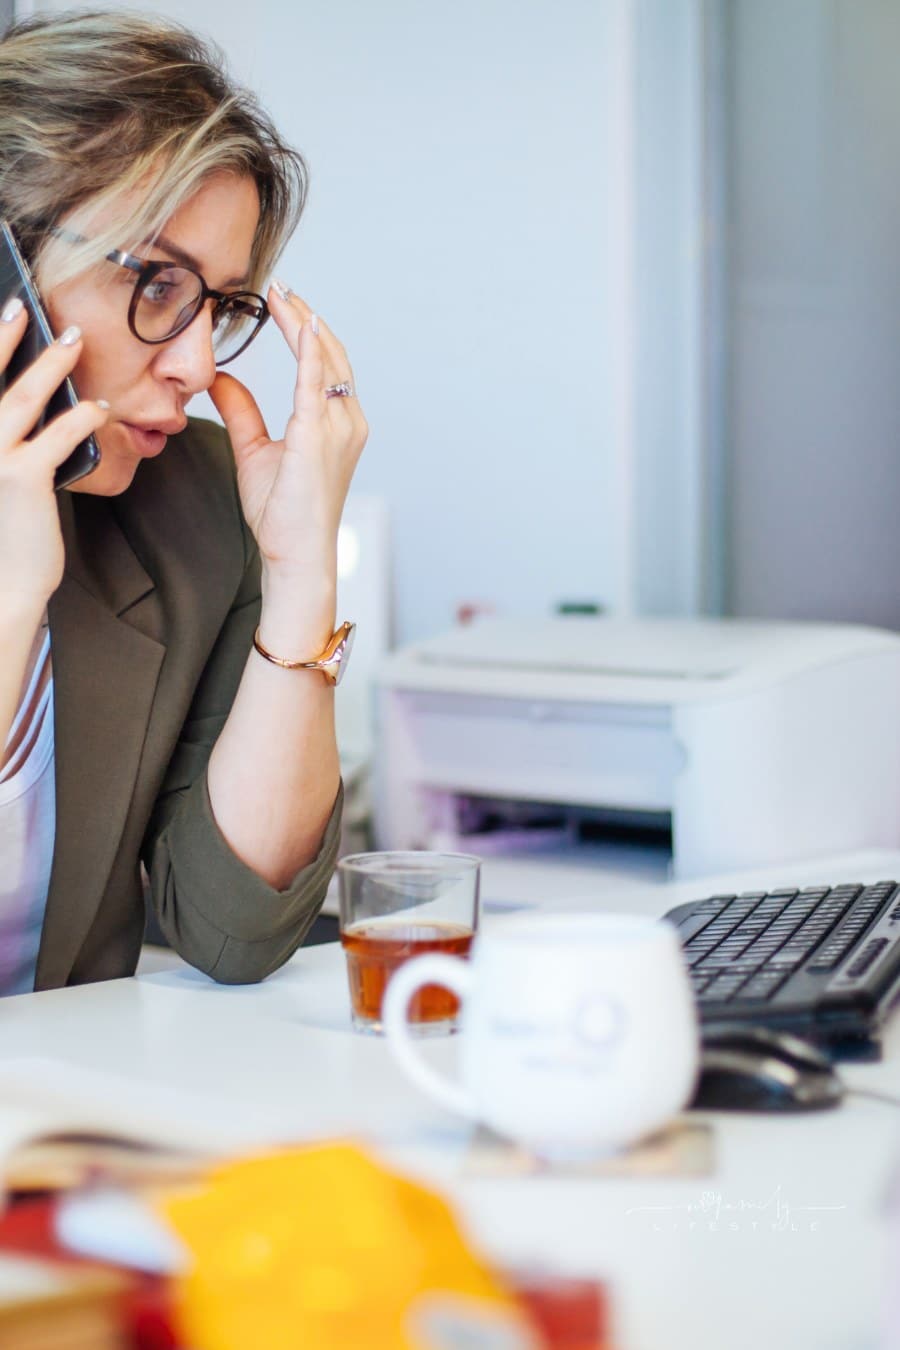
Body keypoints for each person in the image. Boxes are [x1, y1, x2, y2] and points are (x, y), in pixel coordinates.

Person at [0, 10, 367, 994]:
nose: (198, 365)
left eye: (220, 305)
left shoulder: (190, 501)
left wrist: (299, 576)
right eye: (157, 284)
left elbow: (234, 928)